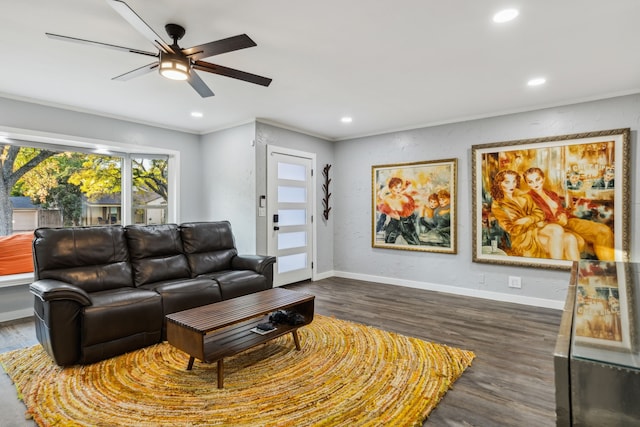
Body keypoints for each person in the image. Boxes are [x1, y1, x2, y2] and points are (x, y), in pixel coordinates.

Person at [523, 167, 615, 261]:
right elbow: (535, 220)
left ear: (543, 178)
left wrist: (562, 214)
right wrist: (556, 221)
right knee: (577, 240)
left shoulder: (552, 194)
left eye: (537, 179)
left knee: (604, 230)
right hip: (554, 226)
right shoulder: (527, 199)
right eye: (530, 182)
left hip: (569, 221)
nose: (535, 184)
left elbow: (561, 209)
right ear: (527, 184)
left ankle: (610, 266)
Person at [490, 170, 576, 260]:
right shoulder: (498, 205)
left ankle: (576, 272)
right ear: (499, 184)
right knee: (557, 229)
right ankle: (557, 267)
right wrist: (533, 220)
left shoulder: (524, 196)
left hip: (536, 229)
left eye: (514, 181)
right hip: (523, 238)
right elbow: (513, 229)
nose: (512, 185)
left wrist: (527, 220)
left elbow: (540, 214)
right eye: (507, 182)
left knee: (570, 238)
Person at [376, 177, 420, 245]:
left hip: (406, 223)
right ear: (390, 189)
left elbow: (410, 212)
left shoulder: (405, 198)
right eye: (396, 188)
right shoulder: (387, 199)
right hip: (394, 223)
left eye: (400, 187)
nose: (398, 190)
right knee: (389, 242)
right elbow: (381, 207)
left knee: (415, 243)